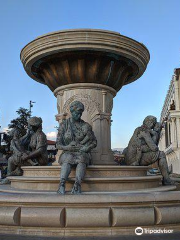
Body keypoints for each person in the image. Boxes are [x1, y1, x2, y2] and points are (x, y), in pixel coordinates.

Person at [56, 101, 97, 194]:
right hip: (68, 151)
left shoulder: (85, 125)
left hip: (82, 151)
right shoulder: (64, 125)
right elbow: (57, 144)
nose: (79, 115)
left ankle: (77, 184)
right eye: (77, 113)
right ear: (71, 112)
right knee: (67, 159)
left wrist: (87, 148)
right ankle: (62, 184)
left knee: (82, 159)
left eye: (80, 113)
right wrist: (67, 147)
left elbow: (94, 142)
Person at [124, 115, 175, 185]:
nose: (153, 126)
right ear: (149, 122)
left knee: (157, 153)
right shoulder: (144, 131)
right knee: (161, 154)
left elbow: (148, 148)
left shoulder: (139, 129)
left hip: (130, 158)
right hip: (134, 159)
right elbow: (154, 148)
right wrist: (156, 134)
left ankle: (166, 177)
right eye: (153, 124)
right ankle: (166, 180)